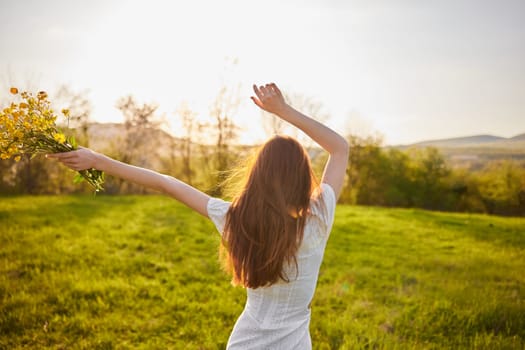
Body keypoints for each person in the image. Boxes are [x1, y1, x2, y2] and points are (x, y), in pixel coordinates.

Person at [48, 83, 349, 349]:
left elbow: (165, 182)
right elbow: (339, 148)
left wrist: (98, 160)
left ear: (257, 176)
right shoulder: (319, 218)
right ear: (301, 177)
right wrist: (283, 110)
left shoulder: (235, 219)